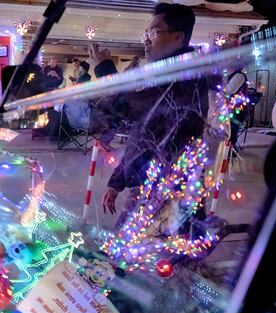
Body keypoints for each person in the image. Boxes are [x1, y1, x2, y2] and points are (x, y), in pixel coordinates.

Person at [90, 3, 210, 227]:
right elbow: (144, 134)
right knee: (124, 254)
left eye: (154, 32)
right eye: (147, 32)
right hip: (150, 188)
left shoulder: (187, 77)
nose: (146, 39)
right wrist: (117, 182)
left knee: (153, 256)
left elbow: (123, 113)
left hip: (172, 196)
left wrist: (106, 71)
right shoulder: (165, 75)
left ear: (178, 37)